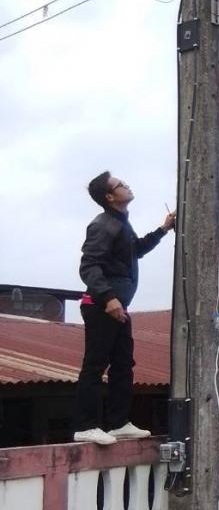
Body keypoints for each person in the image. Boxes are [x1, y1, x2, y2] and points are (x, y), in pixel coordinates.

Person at [73, 172, 176, 445]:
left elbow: (136, 250)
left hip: (118, 308)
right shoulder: (103, 225)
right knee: (95, 365)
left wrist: (163, 229)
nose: (127, 185)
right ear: (109, 197)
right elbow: (89, 266)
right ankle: (86, 426)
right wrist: (108, 299)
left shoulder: (121, 223)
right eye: (120, 185)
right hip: (101, 306)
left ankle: (118, 423)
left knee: (123, 365)